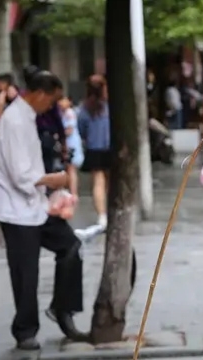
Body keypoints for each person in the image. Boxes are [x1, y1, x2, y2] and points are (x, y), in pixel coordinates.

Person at [0, 70, 87, 350]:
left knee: (70, 247)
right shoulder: (14, 121)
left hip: (37, 206)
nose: (52, 106)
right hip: (15, 209)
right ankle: (25, 330)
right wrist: (53, 180)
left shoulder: (29, 118)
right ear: (41, 94)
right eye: (51, 100)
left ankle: (63, 308)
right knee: (25, 271)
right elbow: (21, 176)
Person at [77, 75, 110, 238]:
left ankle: (102, 216)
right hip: (111, 148)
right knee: (111, 182)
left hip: (93, 147)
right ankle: (112, 211)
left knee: (98, 183)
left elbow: (81, 129)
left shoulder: (84, 109)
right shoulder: (110, 107)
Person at [58, 96, 84, 198]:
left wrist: (59, 134)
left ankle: (73, 193)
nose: (61, 102)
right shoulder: (62, 113)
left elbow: (69, 130)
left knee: (71, 169)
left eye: (63, 100)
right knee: (68, 169)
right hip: (67, 143)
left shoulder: (69, 113)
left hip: (71, 144)